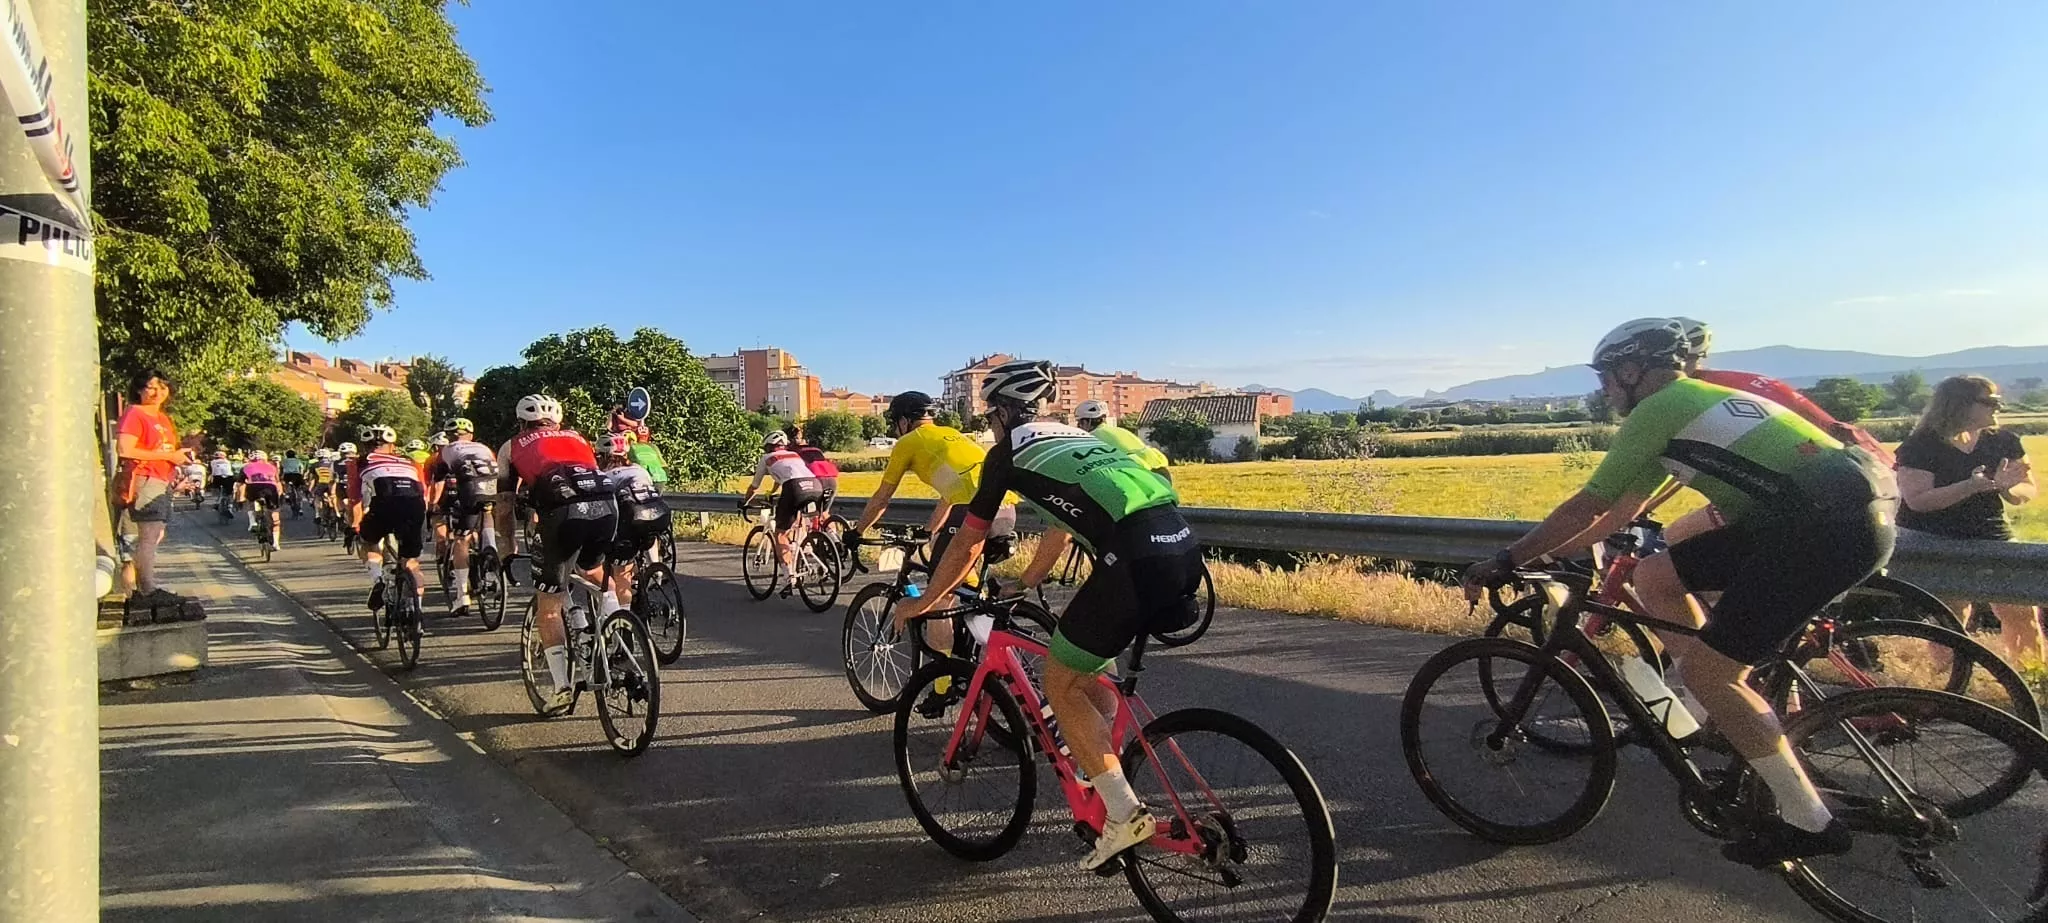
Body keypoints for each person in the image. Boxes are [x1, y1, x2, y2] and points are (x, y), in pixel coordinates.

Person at [1461, 318, 1898, 865]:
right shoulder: (1696, 401)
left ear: (1632, 369)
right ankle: (1718, 708)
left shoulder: (1659, 408)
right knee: (1656, 576)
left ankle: (1808, 821)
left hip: (1820, 529)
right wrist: (1549, 554)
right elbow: (1623, 510)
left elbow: (1589, 503)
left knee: (1712, 672)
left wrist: (1506, 559)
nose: (1603, 389)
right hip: (1826, 516)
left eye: (1606, 377)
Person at [891, 359, 1200, 871]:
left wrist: (925, 602)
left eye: (990, 414)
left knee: (1060, 683)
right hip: (1181, 549)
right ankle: (1105, 778)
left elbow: (969, 541)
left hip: (1132, 561)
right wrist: (1029, 579)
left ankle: (1124, 813)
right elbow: (1062, 525)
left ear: (1002, 413)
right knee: (1092, 673)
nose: (989, 424)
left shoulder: (1009, 451)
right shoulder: (1083, 441)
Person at [1895, 375, 2042, 668]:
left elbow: (2028, 488)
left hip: (1991, 534)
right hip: (1934, 540)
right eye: (1990, 401)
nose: (1998, 407)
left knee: (2021, 612)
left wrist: (2006, 489)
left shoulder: (2004, 441)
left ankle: (2033, 678)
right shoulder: (1919, 446)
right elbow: (1918, 500)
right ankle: (1946, 684)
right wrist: (1970, 486)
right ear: (1959, 404)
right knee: (1950, 615)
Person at [495, 394, 619, 710]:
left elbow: (505, 507)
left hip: (565, 514)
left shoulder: (512, 446)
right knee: (596, 573)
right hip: (606, 507)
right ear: (557, 422)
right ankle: (619, 635)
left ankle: (562, 688)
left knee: (548, 603)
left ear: (521, 422)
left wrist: (507, 550)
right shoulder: (578, 438)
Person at [114, 369, 192, 607]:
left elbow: (166, 451)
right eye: (151, 387)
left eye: (163, 387)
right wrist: (168, 456)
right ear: (139, 389)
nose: (158, 393)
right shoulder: (136, 413)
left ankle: (145, 587)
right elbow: (124, 450)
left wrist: (177, 458)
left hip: (160, 479)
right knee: (148, 536)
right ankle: (147, 591)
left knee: (156, 534)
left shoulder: (161, 418)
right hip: (146, 478)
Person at [352, 426, 429, 621]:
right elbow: (423, 492)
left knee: (367, 541)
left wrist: (353, 526)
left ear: (365, 446)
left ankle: (378, 580)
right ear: (393, 446)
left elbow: (355, 499)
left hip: (385, 506)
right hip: (415, 506)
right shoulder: (410, 462)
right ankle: (417, 612)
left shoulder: (358, 461)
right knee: (411, 562)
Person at [427, 417, 501, 617]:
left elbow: (439, 480)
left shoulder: (446, 451)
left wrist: (433, 503)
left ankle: (462, 595)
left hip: (468, 489)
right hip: (493, 485)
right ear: (471, 435)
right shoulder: (484, 447)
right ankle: (491, 550)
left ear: (450, 436)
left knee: (461, 539)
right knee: (486, 510)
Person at [738, 431, 824, 593]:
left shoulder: (766, 459)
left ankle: (788, 577)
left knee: (780, 533)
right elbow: (784, 476)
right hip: (815, 485)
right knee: (799, 522)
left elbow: (754, 486)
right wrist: (772, 492)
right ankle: (806, 549)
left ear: (769, 447)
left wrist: (745, 502)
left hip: (794, 488)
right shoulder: (793, 454)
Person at [601, 432, 672, 610]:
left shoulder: (605, 476)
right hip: (660, 515)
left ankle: (625, 619)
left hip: (633, 518)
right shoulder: (639, 469)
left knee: (621, 572)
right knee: (649, 533)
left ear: (603, 456)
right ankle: (655, 569)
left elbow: (607, 510)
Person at [1074, 399, 1171, 480]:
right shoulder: (1120, 430)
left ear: (1087, 421)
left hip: (1143, 475)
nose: (1078, 426)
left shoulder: (1092, 437)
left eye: (1079, 422)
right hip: (1161, 472)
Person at [786, 425, 841, 512]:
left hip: (814, 481)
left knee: (802, 511)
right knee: (824, 513)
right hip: (831, 481)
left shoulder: (792, 452)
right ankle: (829, 524)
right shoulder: (816, 449)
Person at [238, 450, 283, 550]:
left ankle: (252, 522)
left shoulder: (246, 467)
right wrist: (279, 495)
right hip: (270, 487)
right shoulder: (272, 467)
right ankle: (276, 543)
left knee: (250, 501)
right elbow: (278, 482)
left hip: (254, 487)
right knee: (274, 515)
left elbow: (241, 484)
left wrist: (241, 499)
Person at [279, 449, 307, 514]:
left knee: (286, 485)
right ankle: (300, 508)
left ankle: (287, 495)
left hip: (287, 475)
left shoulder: (284, 461)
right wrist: (301, 474)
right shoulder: (298, 461)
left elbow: (281, 469)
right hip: (297, 475)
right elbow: (301, 468)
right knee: (299, 490)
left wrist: (281, 476)